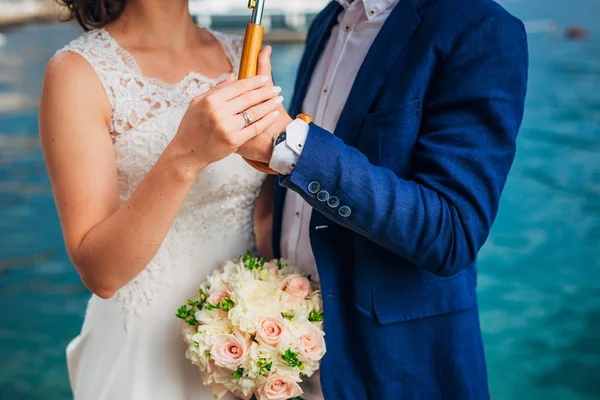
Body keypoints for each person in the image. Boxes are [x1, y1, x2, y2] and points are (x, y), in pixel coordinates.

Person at [238, 0, 529, 398]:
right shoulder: (330, 18)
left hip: (394, 370)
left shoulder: (480, 26)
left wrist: (291, 145)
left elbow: (453, 233)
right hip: (284, 357)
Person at [39, 0, 286, 398]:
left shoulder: (242, 53)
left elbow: (266, 214)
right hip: (144, 357)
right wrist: (186, 156)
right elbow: (101, 273)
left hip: (246, 350)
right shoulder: (76, 72)